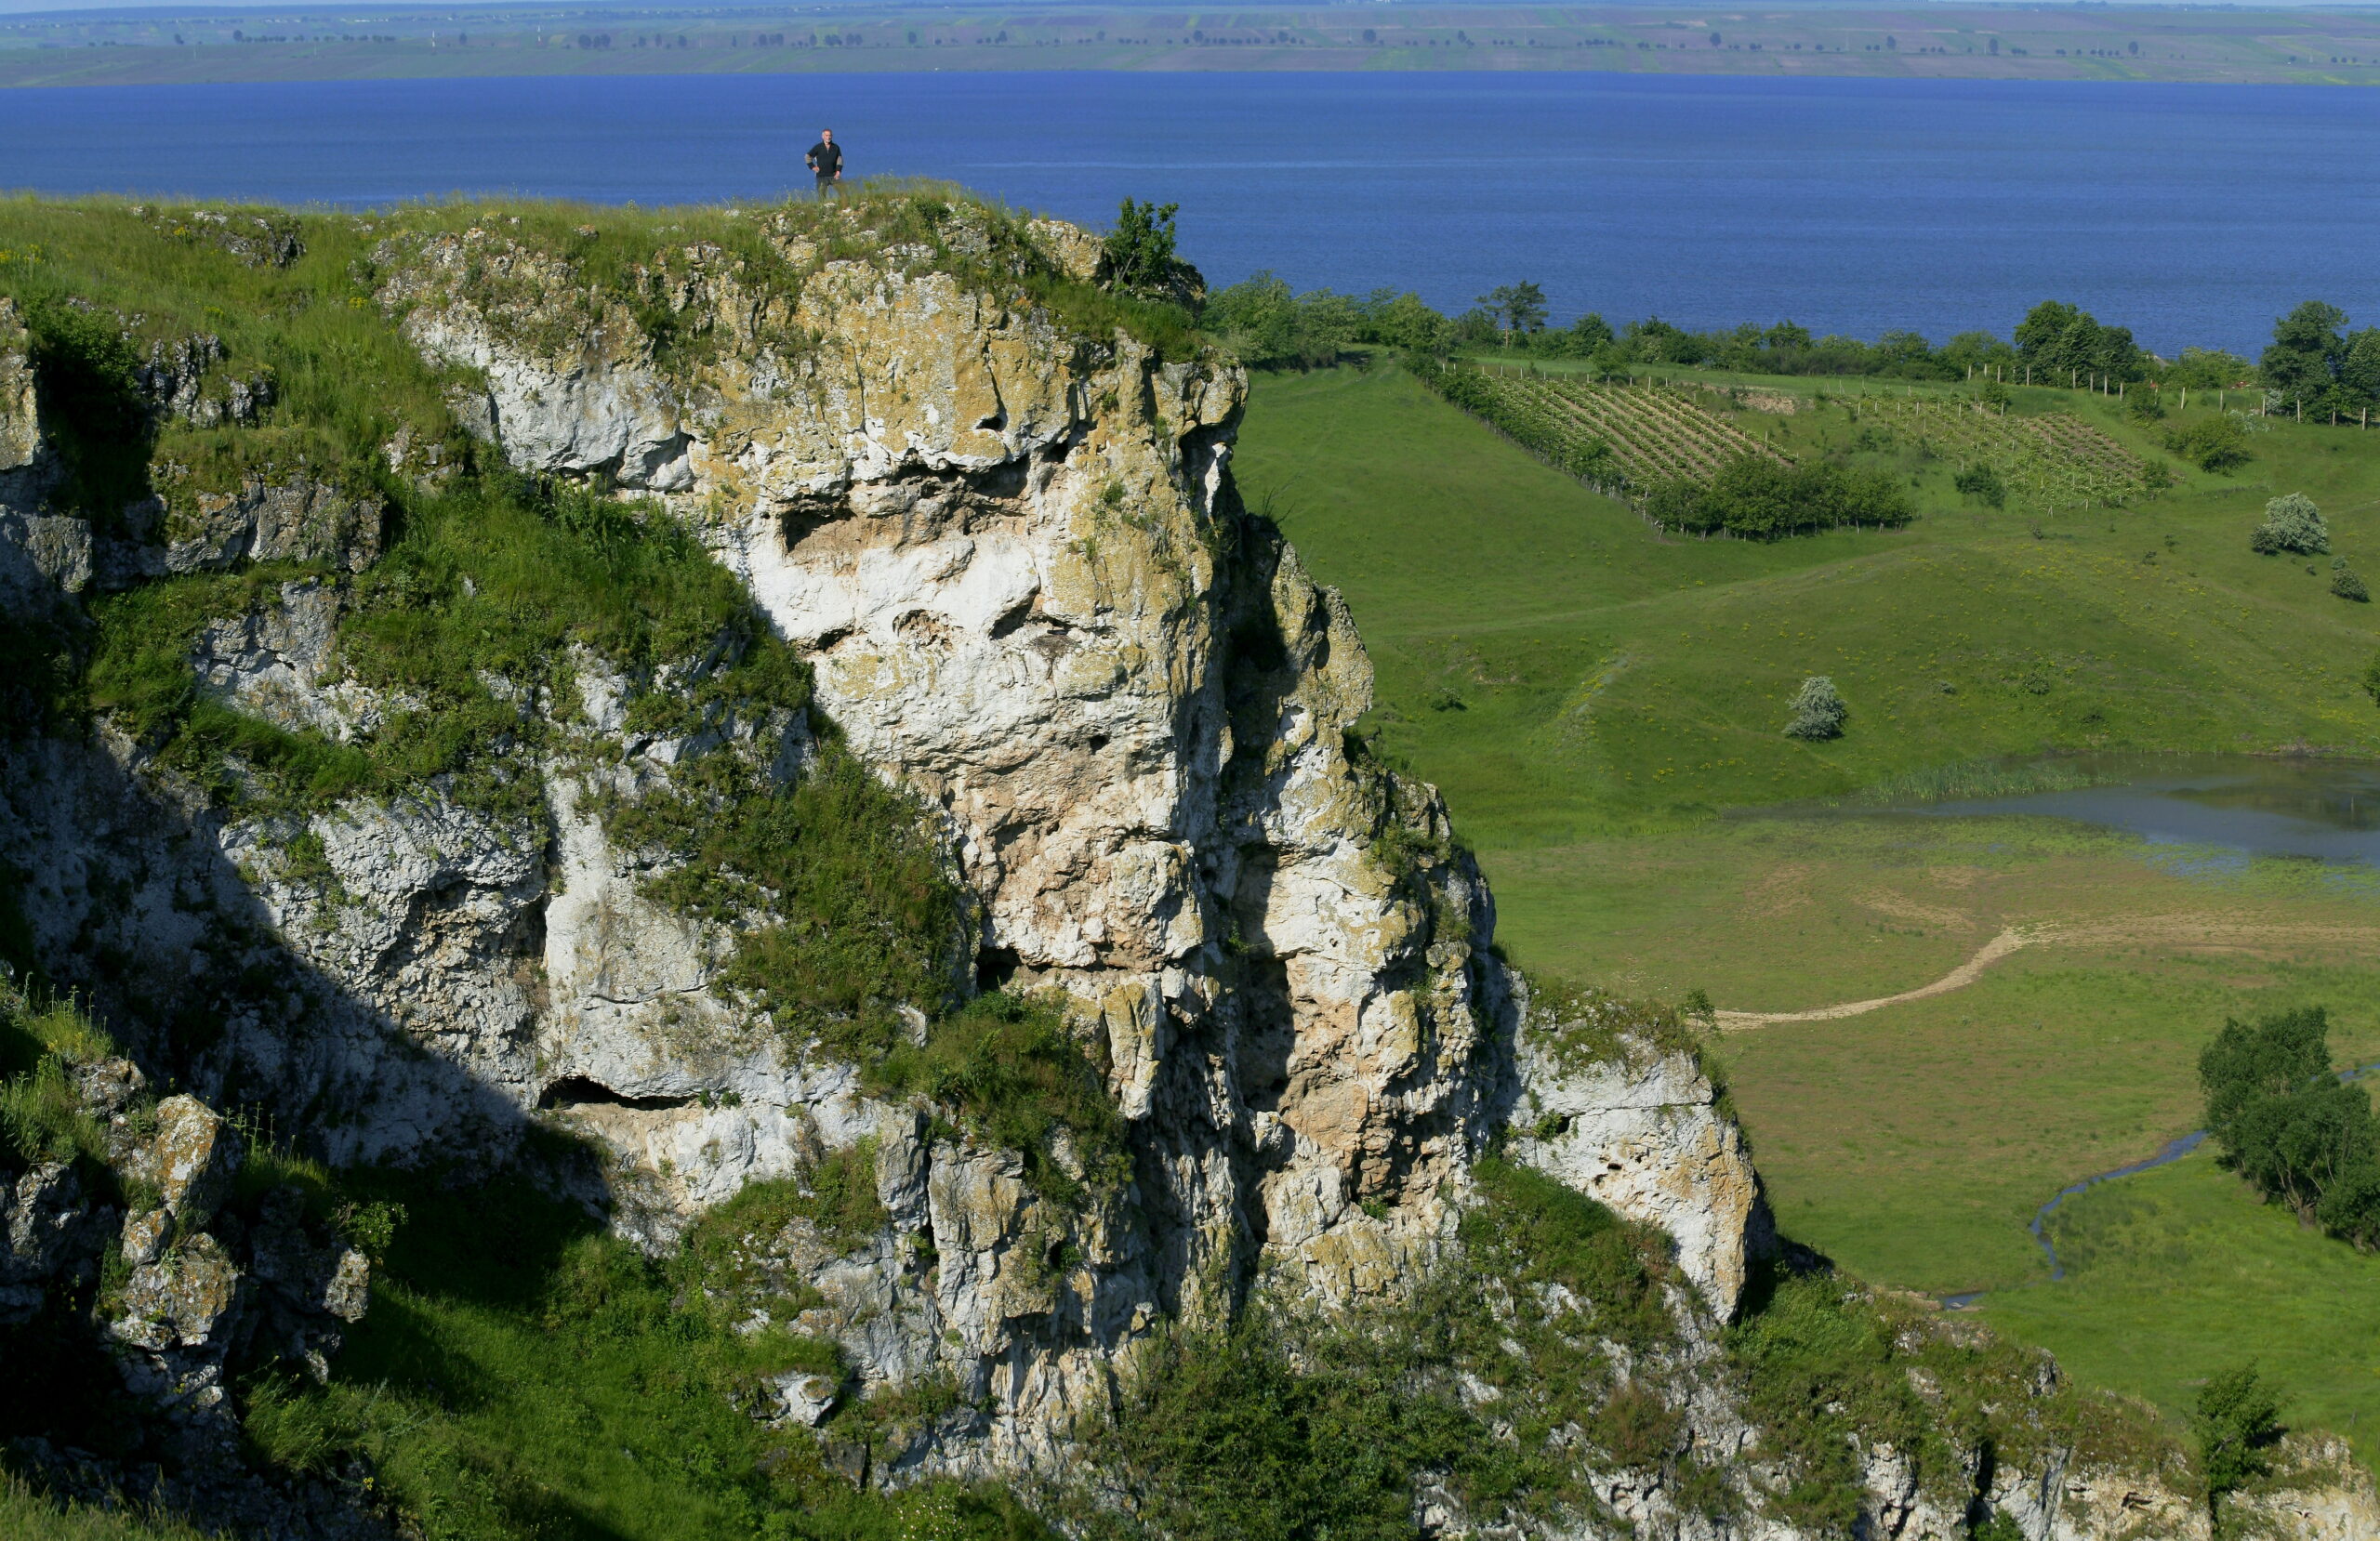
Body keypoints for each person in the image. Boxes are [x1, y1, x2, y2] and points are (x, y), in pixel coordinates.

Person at [806, 128, 842, 198]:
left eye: (830, 135)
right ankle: (822, 208)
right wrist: (813, 167)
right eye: (826, 135)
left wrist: (838, 171)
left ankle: (845, 207)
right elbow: (807, 156)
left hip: (833, 175)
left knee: (843, 192)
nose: (828, 137)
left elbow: (839, 159)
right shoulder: (818, 147)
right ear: (822, 136)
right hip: (821, 176)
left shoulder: (836, 147)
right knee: (822, 196)